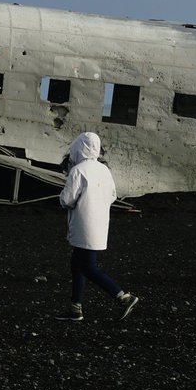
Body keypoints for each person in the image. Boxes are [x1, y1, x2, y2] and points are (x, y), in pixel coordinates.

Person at [55, 132, 139, 321]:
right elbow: (113, 196)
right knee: (77, 264)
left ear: (78, 148)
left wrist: (64, 198)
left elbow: (67, 200)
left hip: (83, 225)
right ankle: (75, 308)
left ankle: (124, 298)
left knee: (88, 267)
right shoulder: (104, 170)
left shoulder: (78, 170)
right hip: (99, 224)